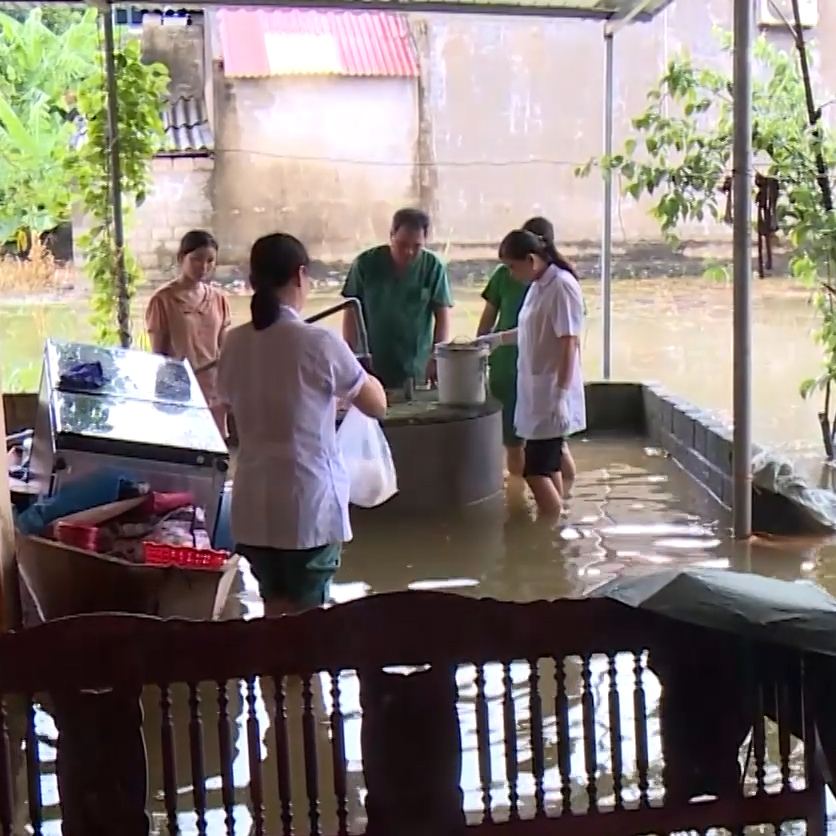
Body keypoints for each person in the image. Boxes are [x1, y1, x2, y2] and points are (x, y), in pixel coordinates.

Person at [219, 232, 389, 615]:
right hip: (305, 505)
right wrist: (365, 379)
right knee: (307, 630)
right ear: (300, 275)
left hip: (253, 506)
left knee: (275, 615)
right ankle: (300, 677)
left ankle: (275, 677)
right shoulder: (318, 342)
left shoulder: (234, 343)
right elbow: (377, 405)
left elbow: (231, 408)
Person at [475, 229, 584, 519]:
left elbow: (568, 341)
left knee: (534, 471)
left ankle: (549, 532)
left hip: (550, 391)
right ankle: (558, 520)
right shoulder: (538, 285)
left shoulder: (561, 286)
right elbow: (531, 329)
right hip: (534, 390)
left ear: (532, 259)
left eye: (512, 266)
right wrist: (497, 339)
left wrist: (561, 395)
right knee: (547, 467)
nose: (510, 274)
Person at [342, 208, 451, 394]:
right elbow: (351, 311)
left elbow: (442, 316)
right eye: (402, 244)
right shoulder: (365, 264)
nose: (408, 252)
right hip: (371, 361)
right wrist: (350, 357)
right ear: (391, 236)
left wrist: (436, 357)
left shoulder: (432, 267)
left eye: (416, 246)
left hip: (415, 362)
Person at [146, 230, 231, 435]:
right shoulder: (163, 300)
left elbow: (224, 349)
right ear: (181, 258)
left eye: (210, 261)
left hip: (213, 391)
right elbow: (159, 355)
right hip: (181, 391)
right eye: (196, 259)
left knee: (217, 458)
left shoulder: (219, 299)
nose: (204, 267)